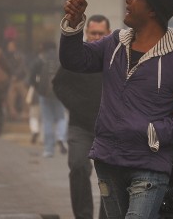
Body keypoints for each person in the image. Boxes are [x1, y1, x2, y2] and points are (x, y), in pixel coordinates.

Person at [60, 0, 173, 219]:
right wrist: (74, 23)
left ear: (153, 10)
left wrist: (155, 131)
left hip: (149, 165)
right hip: (108, 159)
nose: (128, 0)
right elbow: (74, 60)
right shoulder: (114, 42)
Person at [53, 14, 111, 219]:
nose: (96, 37)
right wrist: (77, 106)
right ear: (86, 33)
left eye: (100, 33)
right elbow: (58, 84)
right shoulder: (78, 56)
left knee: (111, 177)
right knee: (77, 166)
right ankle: (83, 215)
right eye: (92, 33)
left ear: (108, 34)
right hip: (80, 126)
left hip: (109, 128)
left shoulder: (115, 59)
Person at [29, 40, 68, 158]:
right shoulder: (62, 58)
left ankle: (48, 150)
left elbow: (31, 78)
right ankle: (61, 138)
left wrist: (39, 89)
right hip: (60, 93)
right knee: (61, 117)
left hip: (44, 94)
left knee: (47, 120)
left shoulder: (40, 59)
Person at [4, 39, 29, 121]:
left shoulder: (20, 56)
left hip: (21, 79)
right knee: (10, 95)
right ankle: (12, 111)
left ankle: (25, 112)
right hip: (12, 80)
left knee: (25, 95)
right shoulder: (7, 56)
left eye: (10, 46)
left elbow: (22, 67)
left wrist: (15, 76)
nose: (9, 48)